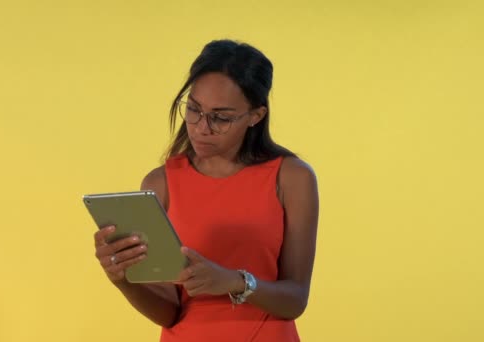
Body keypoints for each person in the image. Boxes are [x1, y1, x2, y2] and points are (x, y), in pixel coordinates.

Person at [93, 39, 319, 341]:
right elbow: (169, 313)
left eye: (221, 117)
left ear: (256, 116)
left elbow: (295, 299)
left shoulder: (291, 178)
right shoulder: (160, 183)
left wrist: (234, 281)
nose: (202, 127)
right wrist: (123, 280)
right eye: (195, 109)